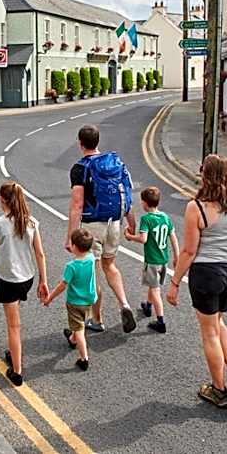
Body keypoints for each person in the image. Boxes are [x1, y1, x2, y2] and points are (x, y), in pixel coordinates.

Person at [166, 154, 227, 408]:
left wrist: (174, 283)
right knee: (218, 322)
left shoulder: (197, 207)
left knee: (209, 332)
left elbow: (189, 251)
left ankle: (218, 390)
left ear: (206, 177)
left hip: (207, 274)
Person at [66, 124, 137, 334]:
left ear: (80, 143)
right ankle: (124, 304)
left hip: (92, 225)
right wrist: (131, 222)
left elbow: (77, 204)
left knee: (93, 273)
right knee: (110, 266)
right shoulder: (115, 163)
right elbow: (126, 193)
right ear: (98, 142)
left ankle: (97, 320)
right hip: (114, 222)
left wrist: (71, 236)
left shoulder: (80, 168)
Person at [0, 182, 48, 387]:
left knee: (13, 326)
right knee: (15, 317)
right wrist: (43, 281)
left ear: (2, 200)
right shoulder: (31, 223)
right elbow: (40, 254)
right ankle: (14, 351)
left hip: (8, 281)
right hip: (27, 279)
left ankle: (17, 371)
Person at [124, 186, 178, 333]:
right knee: (153, 285)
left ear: (144, 203)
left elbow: (143, 239)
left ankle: (161, 321)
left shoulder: (146, 219)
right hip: (163, 260)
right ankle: (148, 306)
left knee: (155, 290)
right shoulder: (165, 218)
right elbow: (173, 238)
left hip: (152, 261)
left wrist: (129, 237)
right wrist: (177, 257)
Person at [42, 228, 97, 371]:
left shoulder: (71, 266)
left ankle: (84, 358)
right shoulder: (91, 258)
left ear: (74, 247)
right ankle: (72, 339)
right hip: (89, 299)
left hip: (75, 302)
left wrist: (50, 298)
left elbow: (63, 285)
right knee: (79, 323)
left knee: (79, 330)